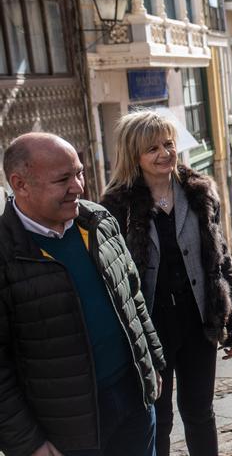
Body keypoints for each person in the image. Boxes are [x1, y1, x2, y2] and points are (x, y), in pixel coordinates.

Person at [0, 133, 164, 456]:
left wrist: (151, 362)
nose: (79, 186)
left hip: (134, 403)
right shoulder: (5, 253)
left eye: (79, 172)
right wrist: (26, 442)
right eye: (64, 179)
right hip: (66, 430)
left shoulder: (98, 221)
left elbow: (132, 295)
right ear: (20, 184)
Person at [100, 111, 232, 456]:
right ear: (133, 154)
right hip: (151, 327)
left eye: (169, 144)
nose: (165, 153)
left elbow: (221, 259)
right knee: (159, 415)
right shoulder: (116, 205)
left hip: (198, 321)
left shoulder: (199, 192)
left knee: (200, 411)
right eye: (152, 148)